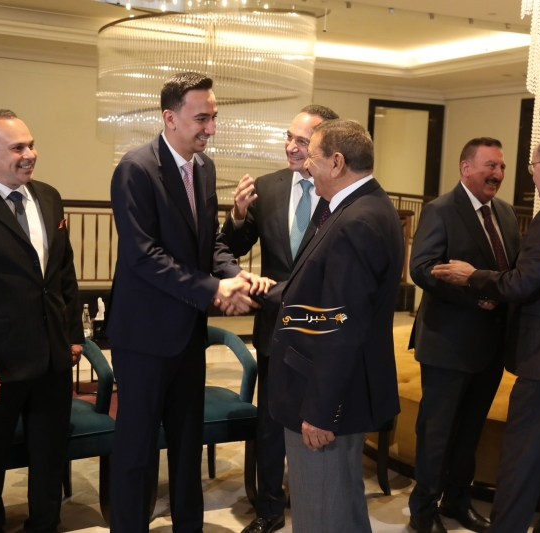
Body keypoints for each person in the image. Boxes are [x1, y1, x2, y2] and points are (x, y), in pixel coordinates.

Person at [105, 72, 273, 533]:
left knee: (187, 447)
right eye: (202, 118)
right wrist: (213, 290)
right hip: (143, 337)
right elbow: (143, 256)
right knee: (137, 451)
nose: (211, 128)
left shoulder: (205, 168)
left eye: (213, 117)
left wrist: (235, 274)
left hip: (188, 333)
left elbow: (210, 242)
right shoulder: (136, 169)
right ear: (170, 117)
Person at [432, 135, 540, 533]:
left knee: (521, 459)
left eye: (532, 168)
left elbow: (523, 283)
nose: (532, 177)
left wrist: (471, 276)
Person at [0, 109, 84, 532]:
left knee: (49, 461)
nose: (30, 154)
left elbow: (63, 273)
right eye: (17, 147)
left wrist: (72, 334)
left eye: (31, 144)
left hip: (52, 360)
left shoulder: (49, 196)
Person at [268, 119, 404, 533]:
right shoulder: (357, 207)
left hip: (324, 400)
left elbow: (342, 328)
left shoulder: (357, 220)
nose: (307, 167)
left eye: (312, 157)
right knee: (341, 508)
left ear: (337, 162)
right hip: (333, 391)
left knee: (321, 514)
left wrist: (320, 411)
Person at [221, 104, 339, 533]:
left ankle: (316, 504)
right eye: (289, 137)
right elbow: (231, 245)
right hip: (275, 329)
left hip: (325, 331)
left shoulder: (340, 192)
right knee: (271, 424)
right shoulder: (268, 187)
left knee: (321, 421)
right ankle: (269, 508)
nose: (291, 147)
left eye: (302, 141)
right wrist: (237, 215)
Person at [406, 138, 521, 533]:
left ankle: (457, 501)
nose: (498, 174)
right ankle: (423, 511)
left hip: (491, 347)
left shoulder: (506, 213)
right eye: (490, 165)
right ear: (466, 167)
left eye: (501, 166)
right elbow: (421, 268)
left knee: (471, 431)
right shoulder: (440, 210)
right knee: (436, 433)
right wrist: (476, 298)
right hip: (448, 344)